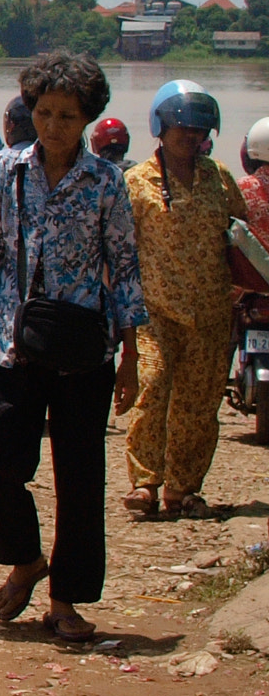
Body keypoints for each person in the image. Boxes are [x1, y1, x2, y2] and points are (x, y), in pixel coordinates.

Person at [0, 53, 145, 643]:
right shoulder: (1, 172)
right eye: (44, 112)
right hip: (9, 342)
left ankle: (66, 600)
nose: (54, 125)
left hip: (83, 349)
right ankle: (27, 560)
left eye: (67, 115)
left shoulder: (107, 181)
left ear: (87, 118)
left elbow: (125, 267)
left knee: (81, 479)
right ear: (29, 111)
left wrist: (131, 357)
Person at [120, 80, 246, 519]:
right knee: (152, 390)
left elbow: (243, 235)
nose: (191, 138)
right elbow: (119, 248)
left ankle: (184, 487)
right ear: (160, 128)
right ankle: (145, 483)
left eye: (199, 132)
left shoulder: (219, 177)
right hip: (155, 312)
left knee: (199, 402)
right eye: (182, 130)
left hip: (211, 313)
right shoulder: (136, 182)